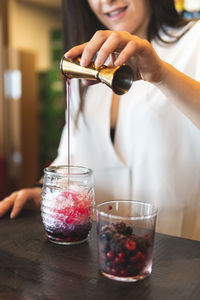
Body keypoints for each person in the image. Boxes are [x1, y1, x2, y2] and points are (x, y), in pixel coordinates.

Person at [0, 0, 200, 241]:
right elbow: (72, 155)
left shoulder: (194, 41)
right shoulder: (86, 66)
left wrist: (161, 75)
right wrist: (46, 191)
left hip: (180, 251)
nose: (106, 1)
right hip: (102, 250)